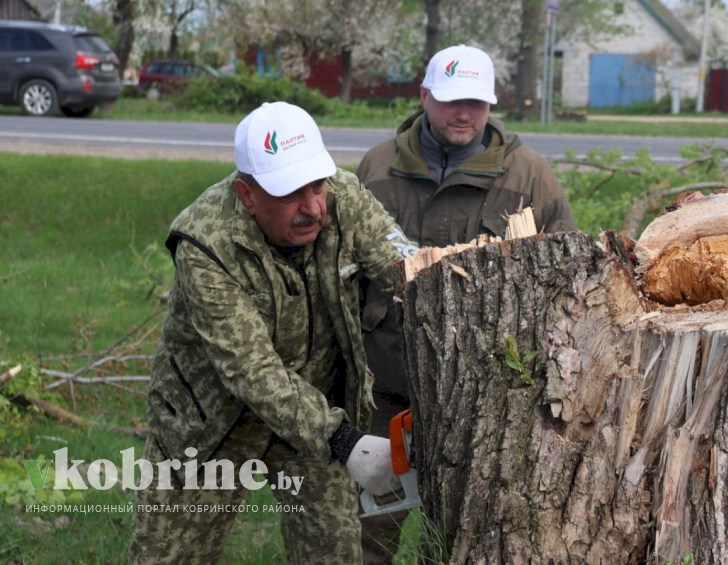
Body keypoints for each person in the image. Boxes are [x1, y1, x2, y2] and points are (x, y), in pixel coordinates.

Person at [128, 101, 419, 564]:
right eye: (290, 194)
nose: (312, 206)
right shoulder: (205, 243)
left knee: (334, 555)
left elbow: (401, 262)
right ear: (247, 194)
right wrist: (347, 442)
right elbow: (249, 369)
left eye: (317, 185)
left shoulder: (343, 195)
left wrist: (449, 286)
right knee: (167, 557)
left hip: (316, 409)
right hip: (209, 424)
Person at [355, 44, 577, 562]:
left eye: (477, 102)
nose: (464, 113)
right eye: (453, 100)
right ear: (425, 96)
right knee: (365, 536)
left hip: (481, 402)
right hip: (387, 393)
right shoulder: (377, 167)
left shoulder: (529, 176)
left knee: (461, 538)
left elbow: (571, 277)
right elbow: (345, 271)